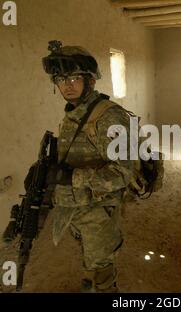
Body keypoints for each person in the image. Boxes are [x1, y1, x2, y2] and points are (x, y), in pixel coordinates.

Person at [42, 40, 138, 293]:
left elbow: (122, 173)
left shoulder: (109, 116)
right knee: (88, 256)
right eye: (61, 79)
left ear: (91, 81)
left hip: (98, 211)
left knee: (101, 267)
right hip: (76, 209)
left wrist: (71, 177)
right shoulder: (74, 113)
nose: (67, 85)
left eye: (74, 78)